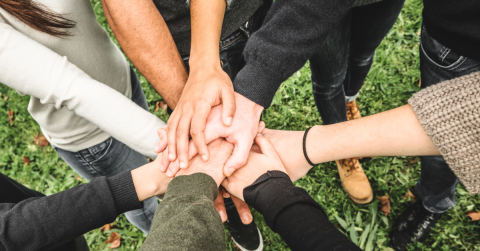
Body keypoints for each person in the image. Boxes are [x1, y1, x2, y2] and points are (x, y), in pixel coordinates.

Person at [101, 0, 271, 248]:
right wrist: (197, 112)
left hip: (257, 12)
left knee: (245, 120)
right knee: (206, 149)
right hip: (185, 35)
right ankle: (230, 206)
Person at [0, 0, 168, 233]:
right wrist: (187, 150)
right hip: (92, 137)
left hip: (123, 81)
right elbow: (70, 87)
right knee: (143, 202)